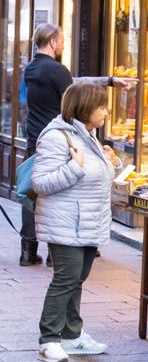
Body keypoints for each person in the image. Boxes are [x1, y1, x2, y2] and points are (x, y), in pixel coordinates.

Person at [20, 24, 121, 266]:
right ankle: (60, 253)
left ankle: (27, 249)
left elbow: (74, 80)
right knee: (63, 195)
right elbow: (77, 101)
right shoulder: (57, 70)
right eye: (63, 41)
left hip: (36, 137)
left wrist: (107, 80)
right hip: (63, 139)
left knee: (33, 192)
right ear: (53, 42)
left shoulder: (31, 68)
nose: (64, 45)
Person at [30, 83, 115, 362]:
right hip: (65, 221)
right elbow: (40, 182)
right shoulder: (56, 137)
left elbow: (96, 178)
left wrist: (110, 163)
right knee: (65, 278)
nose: (106, 111)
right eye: (101, 105)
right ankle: (49, 339)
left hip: (88, 220)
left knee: (77, 279)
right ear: (85, 107)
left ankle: (72, 334)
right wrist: (73, 168)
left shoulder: (88, 135)